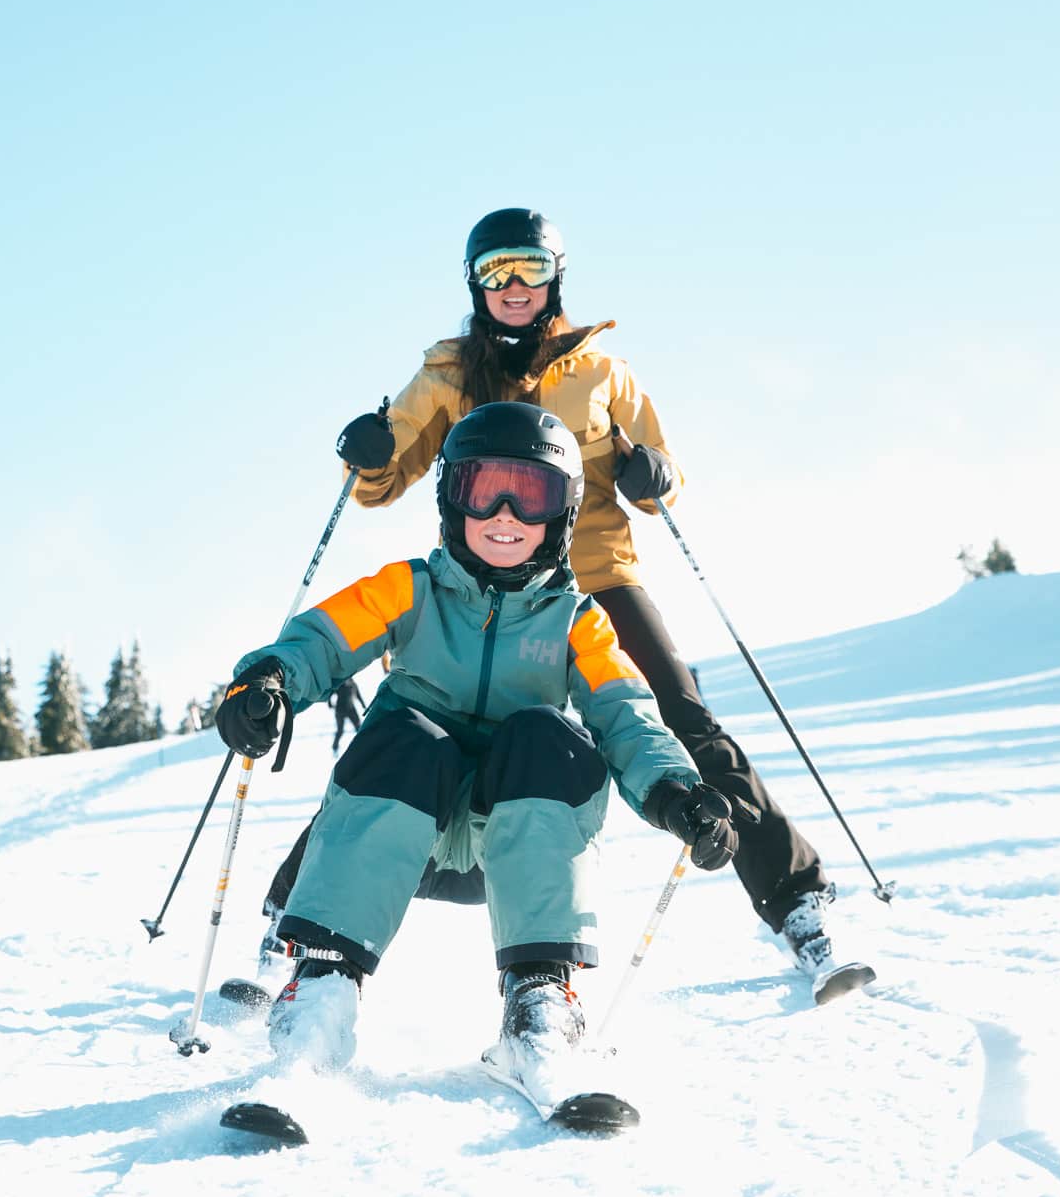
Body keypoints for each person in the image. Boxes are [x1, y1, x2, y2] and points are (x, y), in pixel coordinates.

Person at [256, 207, 858, 995]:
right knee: (418, 722)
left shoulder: (604, 375)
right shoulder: (445, 377)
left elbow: (664, 472)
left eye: (531, 269)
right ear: (474, 282)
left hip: (596, 579)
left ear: (556, 277)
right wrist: (366, 454)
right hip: (480, 587)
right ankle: (289, 925)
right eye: (497, 271)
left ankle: (797, 908)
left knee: (680, 720)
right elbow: (381, 481)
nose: (514, 286)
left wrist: (653, 477)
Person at [215, 404, 750, 1096]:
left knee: (549, 738)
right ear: (451, 498)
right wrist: (268, 683)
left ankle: (539, 1008)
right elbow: (320, 639)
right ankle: (322, 996)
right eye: (483, 490)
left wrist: (677, 791)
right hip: (409, 826)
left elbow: (626, 715)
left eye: (529, 495)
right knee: (403, 731)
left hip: (511, 840)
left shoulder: (577, 622)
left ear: (560, 514)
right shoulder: (408, 589)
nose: (504, 513)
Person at [329, 675, 366, 752]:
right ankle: (335, 747)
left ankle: (362, 744)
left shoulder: (353, 684)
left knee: (358, 728)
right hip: (340, 710)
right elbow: (330, 694)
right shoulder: (339, 684)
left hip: (351, 709)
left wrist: (363, 706)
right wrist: (330, 704)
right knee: (340, 730)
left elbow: (358, 696)